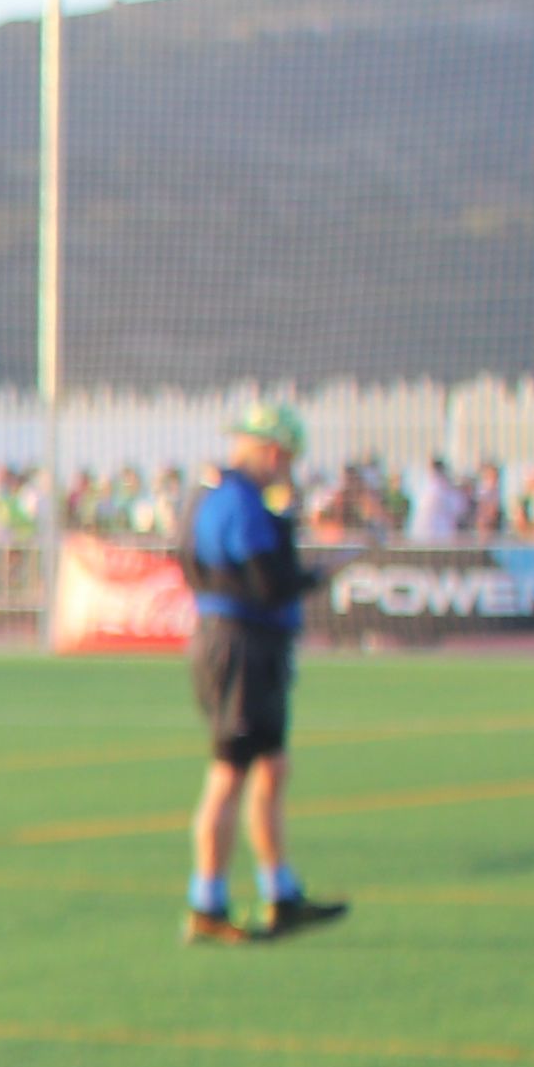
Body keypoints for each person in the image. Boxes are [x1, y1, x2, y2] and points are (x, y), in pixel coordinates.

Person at [187, 399, 340, 941]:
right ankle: (206, 902)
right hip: (239, 647)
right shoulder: (236, 501)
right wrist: (320, 573)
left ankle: (280, 891)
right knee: (230, 774)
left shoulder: (234, 497)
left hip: (249, 644)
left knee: (271, 768)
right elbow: (267, 581)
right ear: (273, 452)